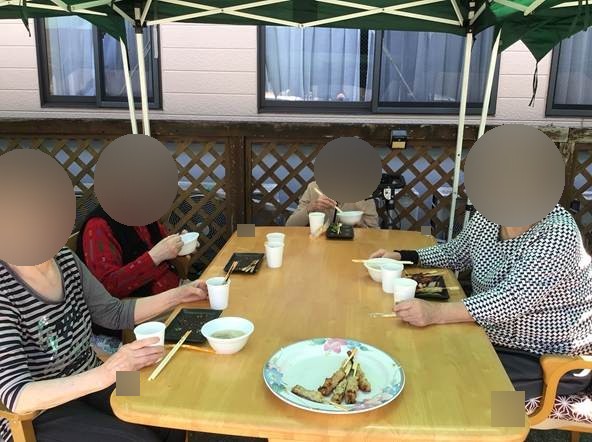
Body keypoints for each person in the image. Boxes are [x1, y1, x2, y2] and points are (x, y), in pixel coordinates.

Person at [370, 204, 592, 401]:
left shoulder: (558, 231)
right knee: (423, 359)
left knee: (465, 389)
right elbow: (454, 253)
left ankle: (510, 428)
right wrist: (403, 257)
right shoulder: (489, 217)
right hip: (490, 334)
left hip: (548, 356)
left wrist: (435, 313)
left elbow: (511, 300)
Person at [0, 247, 208, 442]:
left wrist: (178, 295)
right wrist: (107, 372)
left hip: (92, 376)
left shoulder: (66, 259)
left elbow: (114, 312)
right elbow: (17, 395)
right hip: (39, 412)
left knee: (166, 408)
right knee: (137, 438)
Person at [77, 205, 189, 348]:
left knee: (209, 300)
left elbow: (165, 250)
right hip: (138, 313)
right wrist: (154, 257)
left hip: (174, 290)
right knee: (205, 314)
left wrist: (181, 246)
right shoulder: (98, 226)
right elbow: (106, 288)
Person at [286, 181, 379, 228]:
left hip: (352, 248)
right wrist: (310, 208)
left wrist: (361, 225)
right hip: (318, 246)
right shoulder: (314, 187)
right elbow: (290, 225)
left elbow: (375, 233)